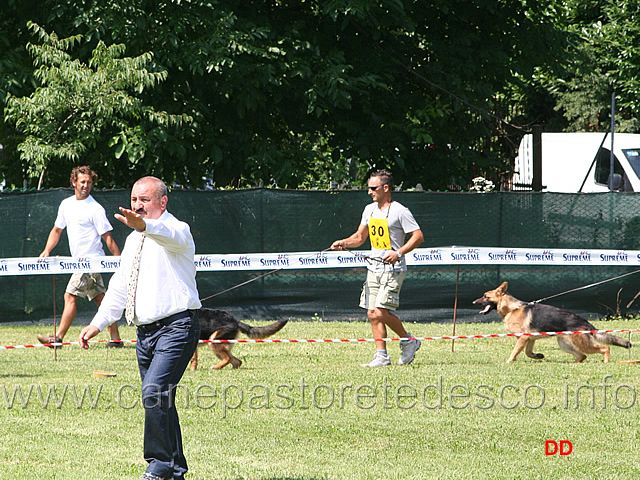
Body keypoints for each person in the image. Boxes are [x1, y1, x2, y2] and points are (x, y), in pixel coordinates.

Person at [79, 176, 201, 480]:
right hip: (145, 335)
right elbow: (120, 287)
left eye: (144, 200)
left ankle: (158, 465)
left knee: (154, 391)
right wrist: (98, 323)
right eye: (134, 200)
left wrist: (145, 226)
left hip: (177, 327)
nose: (137, 206)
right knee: (161, 399)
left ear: (162, 202)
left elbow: (167, 234)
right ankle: (175, 470)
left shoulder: (177, 230)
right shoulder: (134, 241)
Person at [331, 169, 424, 367]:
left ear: (386, 188)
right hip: (373, 268)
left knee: (381, 311)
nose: (369, 192)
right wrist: (344, 242)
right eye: (369, 188)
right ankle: (381, 355)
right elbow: (359, 237)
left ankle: (409, 340)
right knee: (372, 313)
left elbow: (418, 236)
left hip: (394, 268)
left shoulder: (400, 210)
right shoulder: (369, 210)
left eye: (373, 188)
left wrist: (398, 253)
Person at [37, 166, 123, 348]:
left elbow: (108, 238)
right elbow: (57, 230)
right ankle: (116, 339)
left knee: (69, 296)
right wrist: (46, 250)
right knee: (102, 300)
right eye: (82, 181)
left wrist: (121, 262)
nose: (86, 185)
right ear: (74, 182)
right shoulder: (66, 205)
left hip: (90, 262)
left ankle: (58, 338)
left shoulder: (95, 209)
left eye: (89, 182)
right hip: (78, 262)